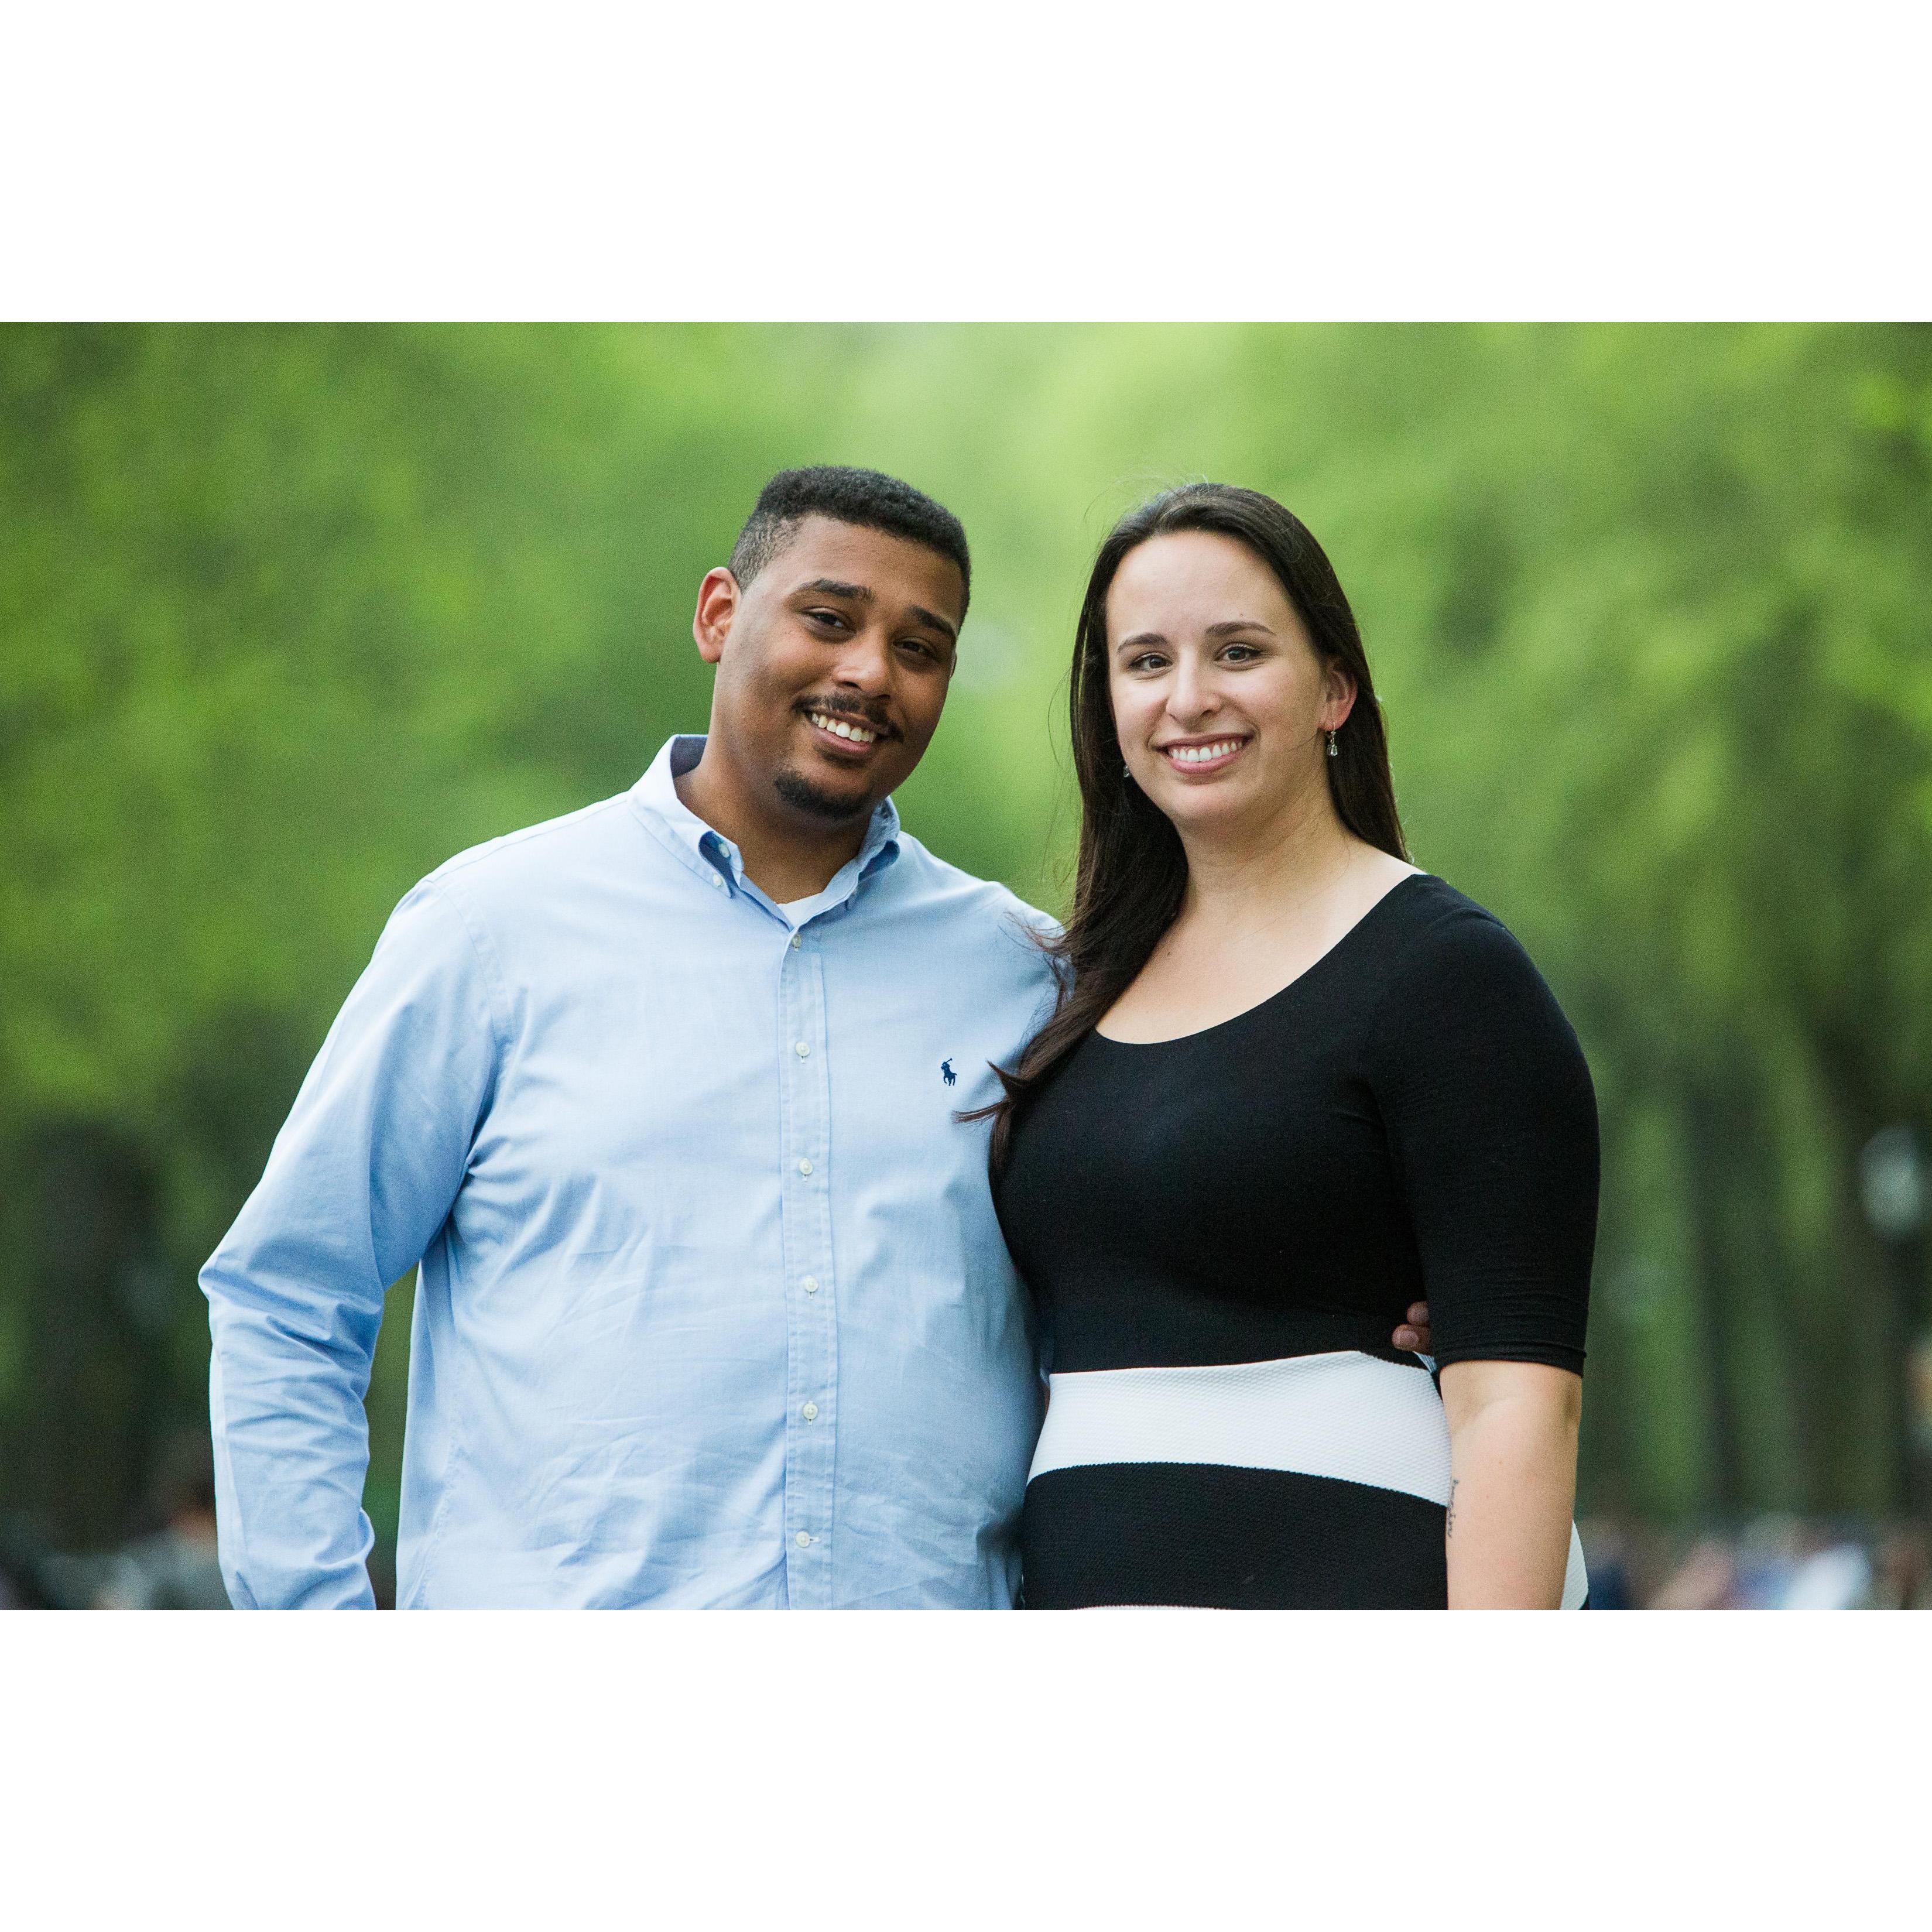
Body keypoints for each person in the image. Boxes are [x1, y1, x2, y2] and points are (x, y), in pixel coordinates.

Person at [201, 465, 1434, 1609]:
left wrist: (1353, 1275)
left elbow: (1138, 1256)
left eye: (921, 647)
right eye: (829, 619)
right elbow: (288, 1297)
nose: (869, 673)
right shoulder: (490, 931)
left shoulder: (1030, 977)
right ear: (719, 614)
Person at [985, 484, 1596, 1608]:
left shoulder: (1448, 978)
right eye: (1145, 661)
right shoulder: (1070, 987)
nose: (1190, 698)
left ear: (1335, 689)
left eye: (1239, 651)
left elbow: (1519, 1405)